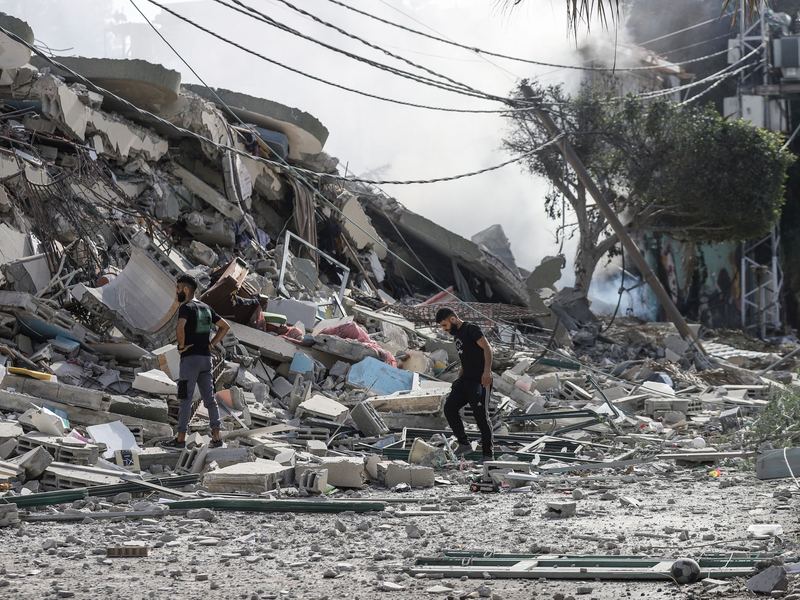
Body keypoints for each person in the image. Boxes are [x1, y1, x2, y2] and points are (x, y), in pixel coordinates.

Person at [161, 275, 231, 450]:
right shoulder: (207, 308)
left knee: (185, 399)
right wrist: (212, 344)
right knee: (209, 400)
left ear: (186, 289)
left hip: (190, 359)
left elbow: (180, 327)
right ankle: (216, 438)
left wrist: (181, 346)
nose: (176, 292)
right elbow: (225, 326)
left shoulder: (186, 307)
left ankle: (180, 439)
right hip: (206, 360)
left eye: (178, 288)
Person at [436, 307, 494, 462]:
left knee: (481, 417)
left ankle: (488, 455)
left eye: (444, 325)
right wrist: (459, 377)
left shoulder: (470, 329)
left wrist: (487, 372)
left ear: (452, 319)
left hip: (480, 380)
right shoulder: (457, 336)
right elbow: (465, 358)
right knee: (449, 408)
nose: (444, 329)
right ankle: (464, 443)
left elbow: (487, 348)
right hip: (465, 380)